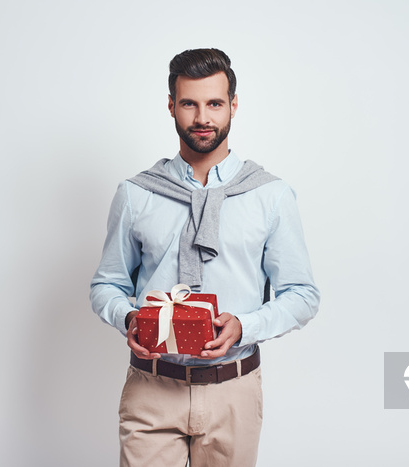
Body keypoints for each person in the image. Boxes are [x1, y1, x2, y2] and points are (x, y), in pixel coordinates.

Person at [90, 48, 320, 467]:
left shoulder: (270, 196)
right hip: (152, 388)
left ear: (233, 105)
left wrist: (244, 326)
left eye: (214, 103)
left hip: (234, 390)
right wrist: (130, 319)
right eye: (189, 103)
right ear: (171, 107)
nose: (202, 118)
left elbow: (301, 295)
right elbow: (107, 284)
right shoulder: (136, 194)